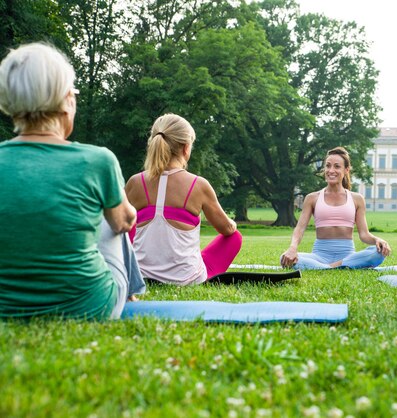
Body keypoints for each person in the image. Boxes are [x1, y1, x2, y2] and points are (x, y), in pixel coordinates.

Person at [0, 43, 145, 320]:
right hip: (89, 306)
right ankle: (132, 295)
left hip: (5, 308)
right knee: (113, 217)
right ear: (67, 100)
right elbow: (124, 223)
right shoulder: (98, 161)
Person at [125, 114, 242, 285]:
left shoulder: (135, 182)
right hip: (187, 279)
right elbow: (227, 230)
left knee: (126, 224)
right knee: (235, 237)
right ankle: (187, 265)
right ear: (186, 148)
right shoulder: (199, 185)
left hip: (139, 276)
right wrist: (233, 224)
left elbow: (116, 229)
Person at [280, 146, 391, 270]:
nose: (331, 170)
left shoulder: (357, 199)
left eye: (337, 166)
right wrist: (292, 248)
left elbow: (364, 234)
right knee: (284, 258)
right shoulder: (312, 198)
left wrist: (378, 240)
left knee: (378, 253)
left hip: (348, 255)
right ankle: (338, 267)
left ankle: (326, 267)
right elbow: (300, 229)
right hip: (319, 256)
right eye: (328, 166)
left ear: (346, 170)